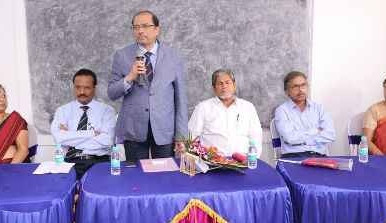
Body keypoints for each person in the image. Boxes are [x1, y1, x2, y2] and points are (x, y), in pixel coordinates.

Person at [107, 10, 187, 161]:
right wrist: (129, 77)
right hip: (133, 128)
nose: (140, 31)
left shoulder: (174, 57)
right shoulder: (122, 55)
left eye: (145, 26)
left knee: (164, 177)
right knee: (137, 179)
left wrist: (181, 135)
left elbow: (180, 99)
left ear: (157, 29)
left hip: (164, 129)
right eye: (135, 27)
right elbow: (111, 93)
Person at [51, 69, 116, 179]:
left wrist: (71, 137)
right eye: (78, 87)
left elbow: (107, 140)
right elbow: (59, 138)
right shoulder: (62, 111)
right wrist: (92, 134)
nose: (82, 91)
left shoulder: (107, 111)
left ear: (94, 89)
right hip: (70, 162)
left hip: (99, 161)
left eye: (87, 87)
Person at [187, 69, 262, 157]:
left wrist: (254, 158)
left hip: (243, 161)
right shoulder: (203, 107)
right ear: (214, 88)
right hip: (212, 162)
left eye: (227, 82)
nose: (224, 86)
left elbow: (255, 134)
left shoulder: (248, 107)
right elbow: (191, 137)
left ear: (234, 86)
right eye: (220, 83)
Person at [274, 71, 335, 158]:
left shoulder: (319, 108)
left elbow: (331, 135)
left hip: (319, 156)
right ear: (287, 91)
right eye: (296, 86)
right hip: (293, 157)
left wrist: (303, 141)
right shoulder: (282, 111)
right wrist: (316, 130)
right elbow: (290, 138)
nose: (301, 90)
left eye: (303, 85)